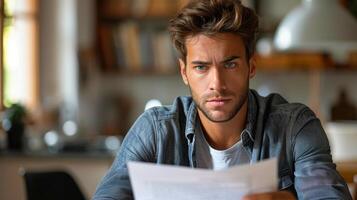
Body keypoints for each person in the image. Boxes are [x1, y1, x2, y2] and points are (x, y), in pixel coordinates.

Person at [93, 0, 352, 199]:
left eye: (230, 64)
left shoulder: (295, 127)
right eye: (201, 67)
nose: (217, 84)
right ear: (184, 72)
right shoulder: (155, 130)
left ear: (251, 66)